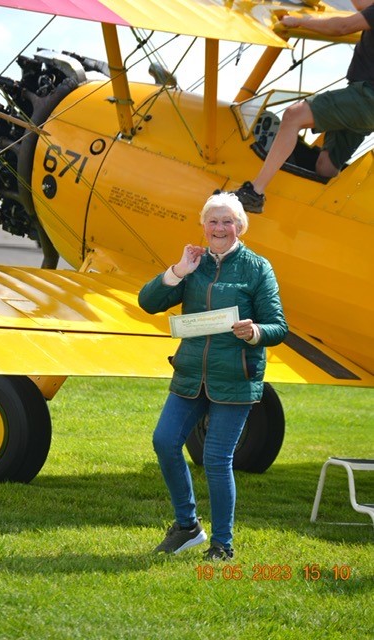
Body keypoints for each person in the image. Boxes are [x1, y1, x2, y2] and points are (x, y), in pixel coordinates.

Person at [138, 192, 288, 560]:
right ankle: (188, 527)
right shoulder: (195, 264)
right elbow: (148, 302)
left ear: (240, 226)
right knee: (164, 441)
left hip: (235, 378)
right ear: (203, 226)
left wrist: (254, 332)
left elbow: (278, 326)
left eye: (227, 222)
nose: (220, 228)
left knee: (217, 459)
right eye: (213, 221)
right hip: (191, 374)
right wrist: (178, 271)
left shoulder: (257, 268)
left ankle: (222, 544)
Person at [233, 0, 374, 213]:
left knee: (293, 115)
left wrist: (300, 21)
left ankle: (255, 192)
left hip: (366, 97)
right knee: (325, 166)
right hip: (364, 106)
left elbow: (342, 27)